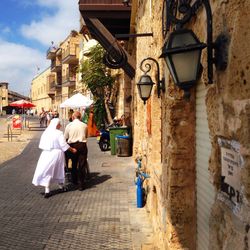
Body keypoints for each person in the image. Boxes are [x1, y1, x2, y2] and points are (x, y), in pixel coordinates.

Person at [32, 118, 77, 198]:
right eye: (59, 124)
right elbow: (63, 145)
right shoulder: (59, 133)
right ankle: (61, 186)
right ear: (56, 125)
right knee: (59, 170)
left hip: (45, 154)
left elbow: (41, 144)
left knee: (47, 171)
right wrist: (72, 149)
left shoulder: (46, 132)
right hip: (56, 154)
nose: (60, 125)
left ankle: (48, 189)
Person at [64, 111, 88, 190]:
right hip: (82, 145)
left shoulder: (69, 126)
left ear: (73, 117)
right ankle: (81, 184)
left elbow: (65, 137)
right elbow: (86, 136)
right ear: (80, 117)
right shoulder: (84, 125)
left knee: (73, 163)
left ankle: (74, 180)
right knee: (82, 164)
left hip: (72, 145)